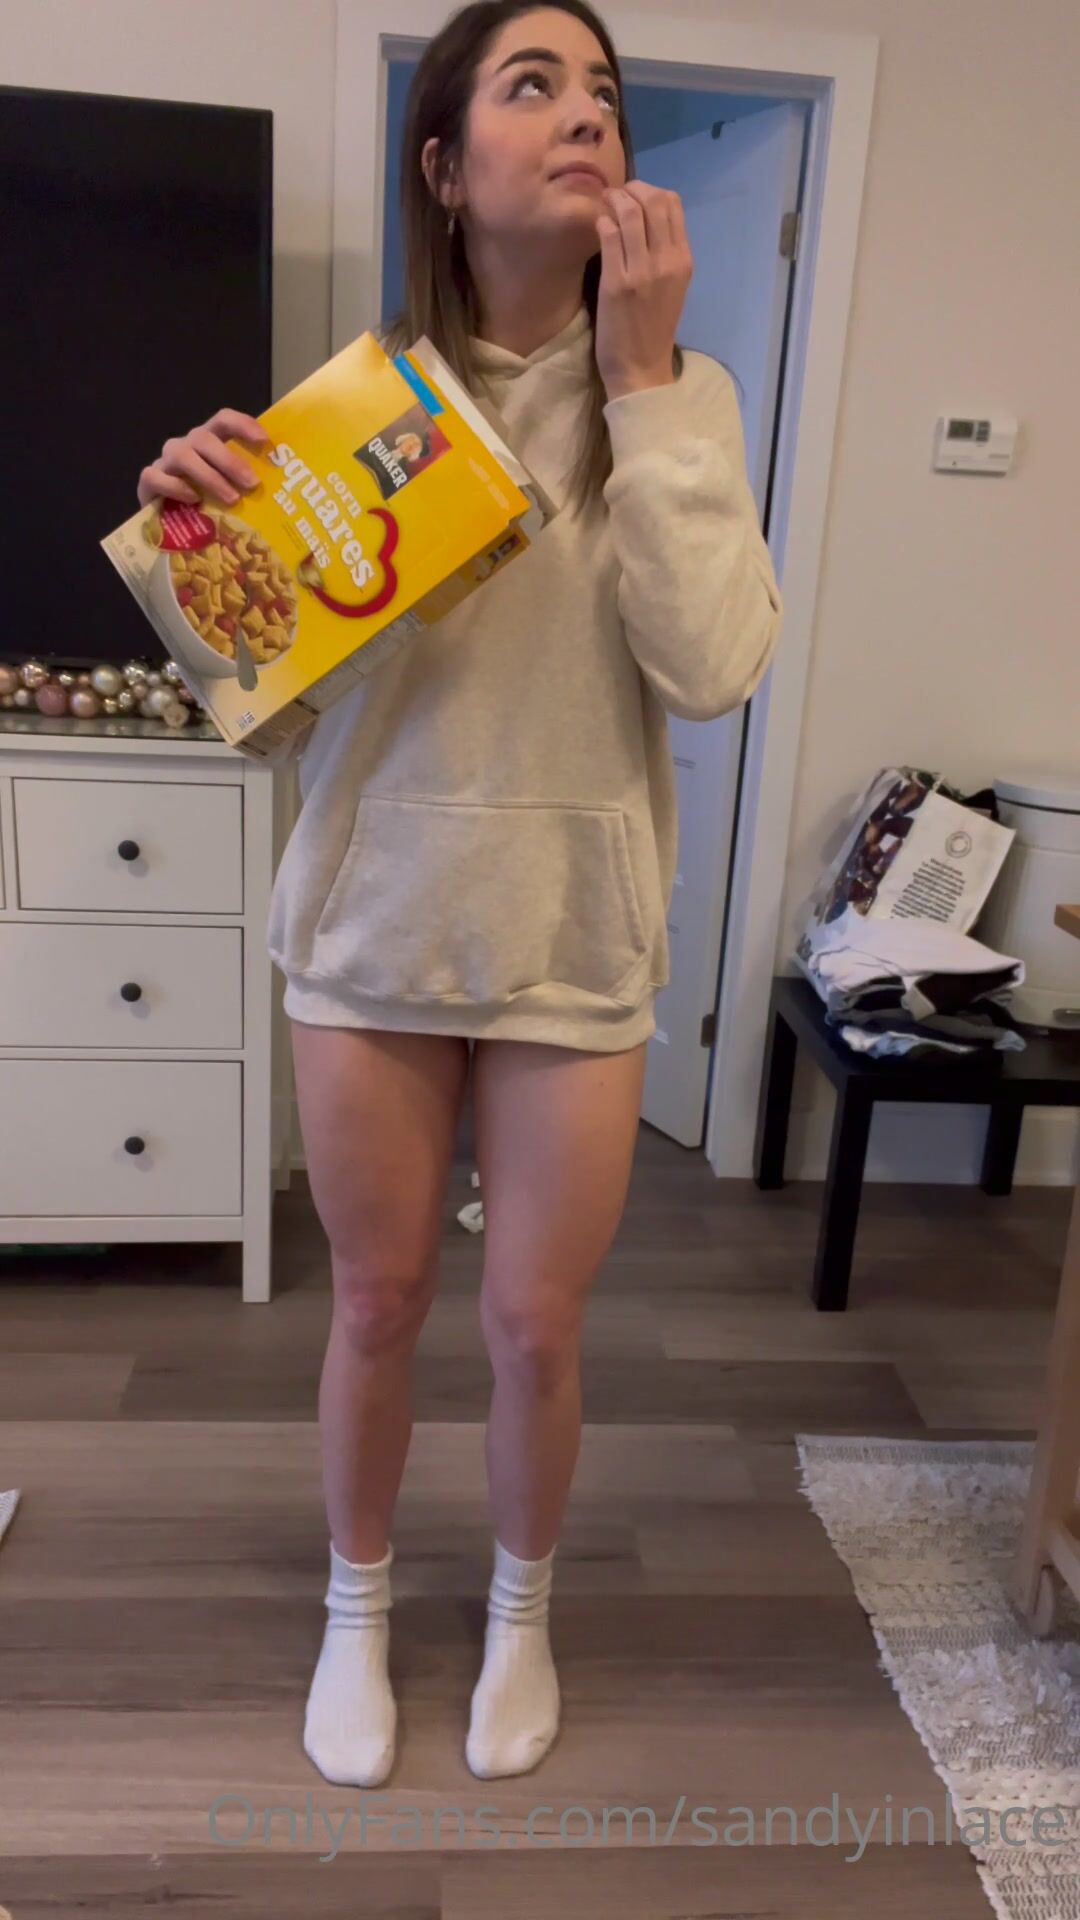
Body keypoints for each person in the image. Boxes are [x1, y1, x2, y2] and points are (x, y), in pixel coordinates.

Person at [136, 0, 784, 1788]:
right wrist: (196, 555)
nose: (584, 116)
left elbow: (715, 667)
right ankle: (354, 1611)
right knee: (375, 1303)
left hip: (573, 939)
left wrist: (645, 390)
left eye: (605, 95)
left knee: (535, 1324)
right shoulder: (356, 412)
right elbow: (260, 713)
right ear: (443, 164)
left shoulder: (685, 402)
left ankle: (521, 1612)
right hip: (372, 930)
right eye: (531, 84)